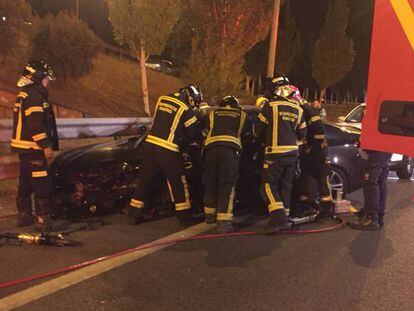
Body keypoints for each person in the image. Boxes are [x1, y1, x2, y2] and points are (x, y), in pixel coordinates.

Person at [128, 84, 203, 226]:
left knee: (145, 180)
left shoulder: (162, 99)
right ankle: (185, 218)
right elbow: (193, 133)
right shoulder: (185, 108)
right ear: (191, 98)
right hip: (168, 148)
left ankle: (134, 214)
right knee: (178, 183)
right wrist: (187, 141)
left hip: (150, 145)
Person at [255, 76, 307, 233]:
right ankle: (285, 216)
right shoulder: (298, 109)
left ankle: (278, 219)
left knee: (268, 186)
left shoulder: (270, 107)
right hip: (292, 154)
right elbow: (302, 134)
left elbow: (257, 131)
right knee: (286, 185)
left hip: (275, 154)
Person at [11, 61, 59, 232]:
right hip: (34, 148)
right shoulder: (35, 97)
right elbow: (36, 125)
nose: (48, 82)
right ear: (38, 78)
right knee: (41, 183)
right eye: (47, 79)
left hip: (24, 148)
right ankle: (42, 220)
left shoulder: (25, 94)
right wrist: (46, 145)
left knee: (25, 182)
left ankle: (24, 216)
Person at [202, 95, 250, 233]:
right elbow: (248, 134)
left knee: (210, 181)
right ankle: (224, 222)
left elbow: (204, 131)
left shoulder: (212, 113)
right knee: (227, 184)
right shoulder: (242, 115)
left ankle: (209, 215)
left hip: (210, 150)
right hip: (230, 151)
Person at [293, 96, 333, 220]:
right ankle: (306, 206)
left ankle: (326, 210)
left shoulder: (308, 112)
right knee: (305, 179)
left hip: (318, 152)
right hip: (308, 153)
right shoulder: (300, 111)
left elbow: (320, 132)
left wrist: (310, 147)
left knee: (322, 181)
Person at [351, 150, 392, 230]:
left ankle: (371, 218)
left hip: (374, 156)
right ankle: (379, 216)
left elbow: (372, 141)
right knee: (381, 184)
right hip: (385, 154)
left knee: (370, 185)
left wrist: (362, 148)